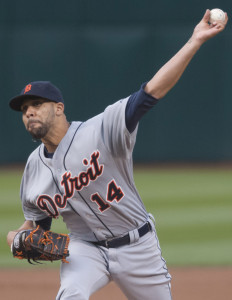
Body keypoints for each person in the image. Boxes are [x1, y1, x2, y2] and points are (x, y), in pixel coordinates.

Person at [7, 10, 227, 300]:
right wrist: (14, 239)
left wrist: (194, 41)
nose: (29, 112)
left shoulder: (102, 129)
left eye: (36, 104)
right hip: (85, 249)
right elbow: (37, 226)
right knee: (70, 294)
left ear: (59, 108)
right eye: (24, 110)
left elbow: (151, 92)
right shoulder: (34, 167)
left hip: (138, 246)